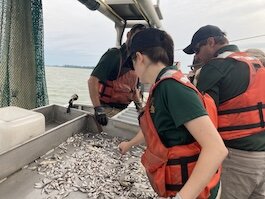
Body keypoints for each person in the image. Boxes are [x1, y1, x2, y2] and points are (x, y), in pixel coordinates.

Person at [127, 28, 227, 199]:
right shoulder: (162, 84)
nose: (134, 71)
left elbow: (216, 149)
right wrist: (129, 145)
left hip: (194, 193)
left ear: (139, 58)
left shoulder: (171, 87)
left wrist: (182, 197)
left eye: (132, 64)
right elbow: (155, 128)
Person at [184, 25, 265, 199]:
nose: (196, 56)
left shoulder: (214, 68)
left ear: (211, 42)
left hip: (237, 160)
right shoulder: (255, 62)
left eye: (197, 50)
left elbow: (201, 117)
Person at [88, 24, 146, 126]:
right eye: (135, 37)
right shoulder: (113, 55)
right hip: (106, 109)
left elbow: (134, 90)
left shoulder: (136, 60)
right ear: (128, 35)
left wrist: (140, 109)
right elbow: (92, 80)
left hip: (123, 110)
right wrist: (98, 109)